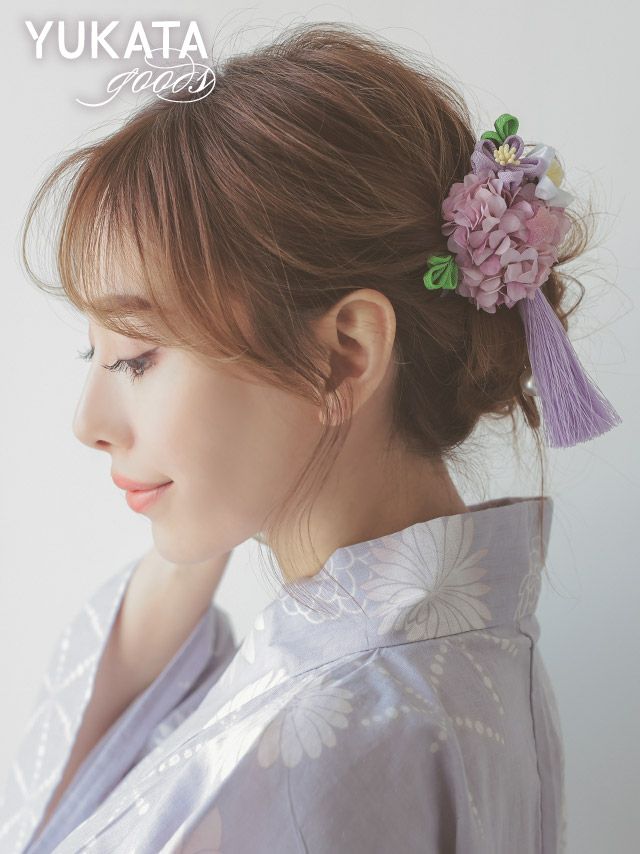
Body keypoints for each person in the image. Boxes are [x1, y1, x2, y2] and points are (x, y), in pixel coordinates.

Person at [0, 21, 620, 854]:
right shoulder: (450, 656)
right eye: (96, 354)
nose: (89, 425)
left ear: (344, 353)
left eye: (137, 358)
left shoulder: (344, 736)